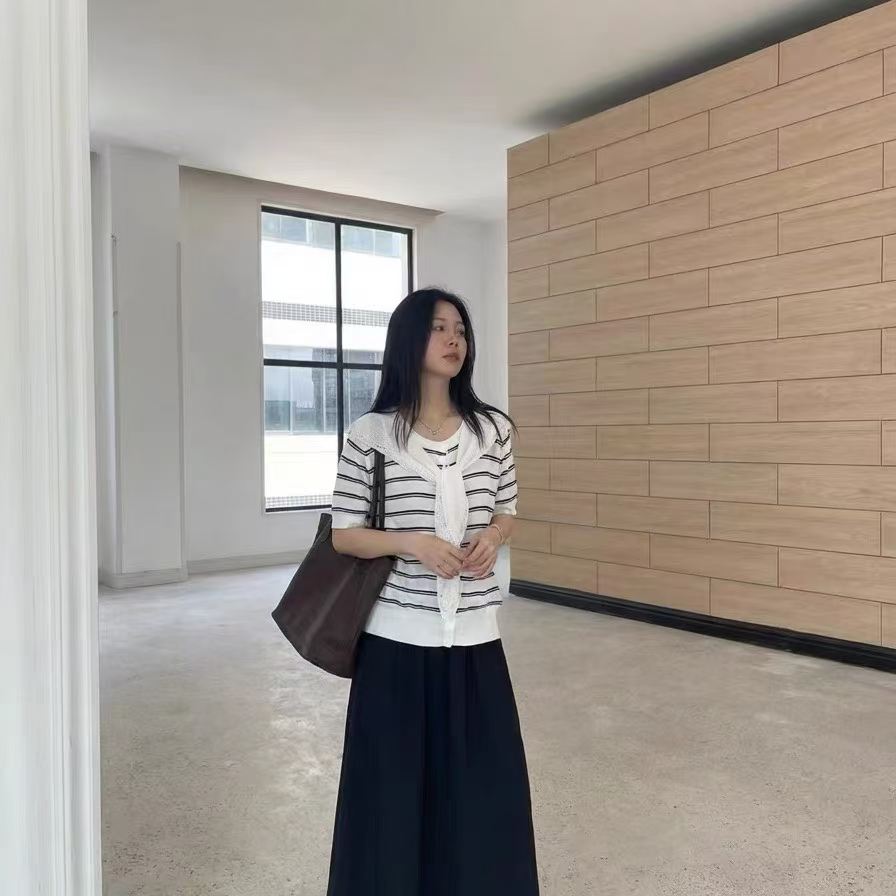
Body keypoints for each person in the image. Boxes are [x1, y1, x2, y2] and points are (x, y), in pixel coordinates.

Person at [325, 287, 540, 895]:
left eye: (461, 331)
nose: (454, 340)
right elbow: (345, 535)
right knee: (390, 798)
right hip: (394, 642)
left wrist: (492, 538)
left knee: (484, 795)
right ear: (408, 340)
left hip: (474, 638)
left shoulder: (493, 431)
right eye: (439, 328)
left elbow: (507, 510)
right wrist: (412, 544)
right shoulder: (371, 434)